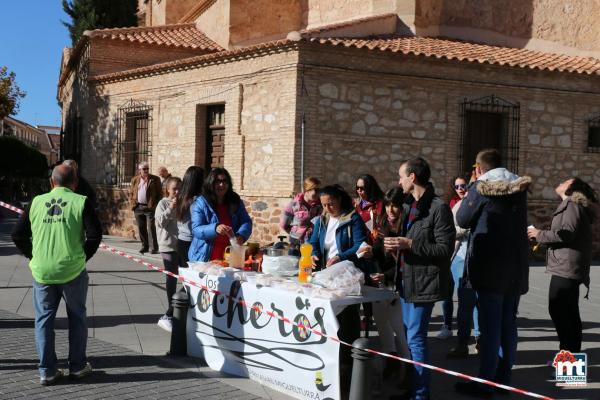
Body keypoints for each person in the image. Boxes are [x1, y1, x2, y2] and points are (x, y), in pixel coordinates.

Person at [11, 164, 102, 386]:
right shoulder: (81, 202)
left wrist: (34, 256)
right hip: (72, 270)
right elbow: (95, 235)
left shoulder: (35, 202)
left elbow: (17, 235)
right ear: (75, 183)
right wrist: (82, 258)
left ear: (52, 182)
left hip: (42, 272)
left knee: (43, 320)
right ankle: (78, 366)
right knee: (77, 318)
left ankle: (47, 371)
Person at [455, 149, 531, 397]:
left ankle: (485, 383)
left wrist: (475, 186)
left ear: (479, 168)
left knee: (490, 327)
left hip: (489, 265)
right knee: (508, 323)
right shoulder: (518, 186)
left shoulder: (482, 187)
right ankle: (504, 378)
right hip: (515, 266)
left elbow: (464, 219)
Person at [384, 157, 455, 400]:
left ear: (412, 177)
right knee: (406, 338)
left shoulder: (438, 208)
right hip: (405, 280)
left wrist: (410, 244)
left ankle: (421, 394)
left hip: (424, 283)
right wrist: (395, 247)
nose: (399, 181)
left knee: (415, 339)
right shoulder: (407, 206)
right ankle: (410, 386)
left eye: (401, 176)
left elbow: (445, 250)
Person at [528, 178, 597, 354]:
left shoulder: (571, 205)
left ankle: (568, 361)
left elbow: (566, 234)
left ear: (571, 188)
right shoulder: (571, 205)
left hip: (566, 267)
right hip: (567, 266)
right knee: (568, 314)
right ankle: (570, 362)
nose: (561, 181)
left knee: (562, 313)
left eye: (566, 181)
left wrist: (539, 234)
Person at [308, 184, 368, 375]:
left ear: (340, 200)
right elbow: (313, 241)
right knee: (329, 316)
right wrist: (314, 254)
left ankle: (348, 363)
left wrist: (341, 257)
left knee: (347, 318)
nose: (327, 208)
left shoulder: (353, 218)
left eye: (330, 204)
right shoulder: (322, 219)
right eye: (324, 205)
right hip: (325, 275)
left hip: (345, 277)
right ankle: (329, 359)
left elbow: (360, 245)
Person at [370, 188, 411, 386]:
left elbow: (405, 264)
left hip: (398, 285)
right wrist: (370, 251)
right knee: (382, 324)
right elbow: (378, 249)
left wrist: (386, 274)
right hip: (381, 284)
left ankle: (408, 371)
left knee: (399, 330)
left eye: (394, 205)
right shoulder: (383, 222)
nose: (390, 209)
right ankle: (391, 362)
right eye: (387, 205)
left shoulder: (407, 227)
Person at [438, 175, 480, 345]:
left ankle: (477, 335)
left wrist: (458, 230)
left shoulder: (474, 204)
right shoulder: (452, 206)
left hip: (465, 257)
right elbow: (447, 230)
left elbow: (461, 228)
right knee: (446, 294)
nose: (461, 189)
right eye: (457, 186)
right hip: (451, 255)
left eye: (464, 185)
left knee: (468, 299)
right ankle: (447, 326)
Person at [189, 168, 252, 261]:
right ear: (211, 183)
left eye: (225, 181)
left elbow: (246, 221)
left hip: (228, 257)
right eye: (217, 182)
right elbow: (196, 229)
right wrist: (214, 228)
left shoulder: (235, 201)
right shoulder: (201, 202)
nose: (221, 185)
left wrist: (241, 235)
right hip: (204, 257)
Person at [155, 176, 182, 332]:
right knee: (171, 277)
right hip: (167, 246)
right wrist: (170, 209)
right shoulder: (163, 203)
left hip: (182, 246)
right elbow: (160, 222)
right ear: (168, 190)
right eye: (174, 189)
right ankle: (169, 314)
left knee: (184, 277)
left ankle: (179, 309)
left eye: (179, 188)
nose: (177, 192)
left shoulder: (184, 203)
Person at [280, 176, 322, 249]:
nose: (318, 193)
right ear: (307, 190)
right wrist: (296, 234)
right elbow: (284, 225)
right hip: (297, 244)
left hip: (315, 244)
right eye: (316, 190)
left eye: (319, 190)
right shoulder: (294, 204)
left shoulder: (321, 205)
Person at [129, 161, 162, 254]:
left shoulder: (155, 179)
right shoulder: (135, 179)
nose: (146, 170)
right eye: (144, 169)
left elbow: (160, 194)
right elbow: (131, 193)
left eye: (147, 168)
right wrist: (132, 204)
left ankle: (154, 248)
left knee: (151, 227)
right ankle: (144, 246)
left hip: (150, 208)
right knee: (141, 228)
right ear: (139, 170)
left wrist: (155, 206)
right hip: (138, 207)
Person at [176, 166, 204, 269]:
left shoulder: (181, 197)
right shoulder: (197, 201)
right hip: (192, 242)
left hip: (181, 240)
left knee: (185, 277)